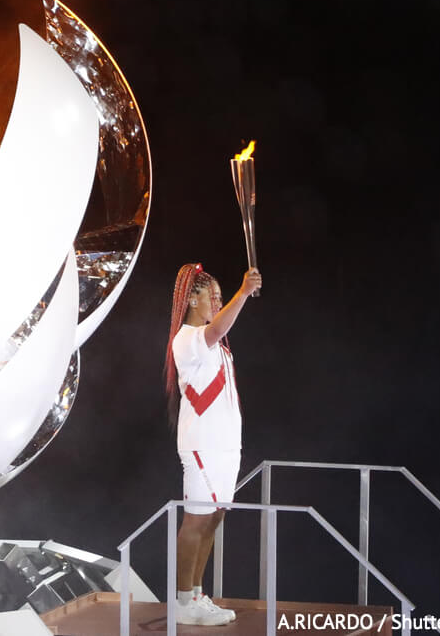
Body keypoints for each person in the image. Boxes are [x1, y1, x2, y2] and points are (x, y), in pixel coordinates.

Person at [164, 263, 262, 626]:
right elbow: (219, 326)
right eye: (214, 296)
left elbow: (220, 329)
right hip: (202, 446)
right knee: (196, 520)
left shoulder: (218, 346)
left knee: (214, 520)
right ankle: (181, 600)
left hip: (225, 446)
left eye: (222, 297)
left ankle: (196, 595)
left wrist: (238, 296)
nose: (218, 302)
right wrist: (243, 292)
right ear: (193, 299)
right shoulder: (188, 338)